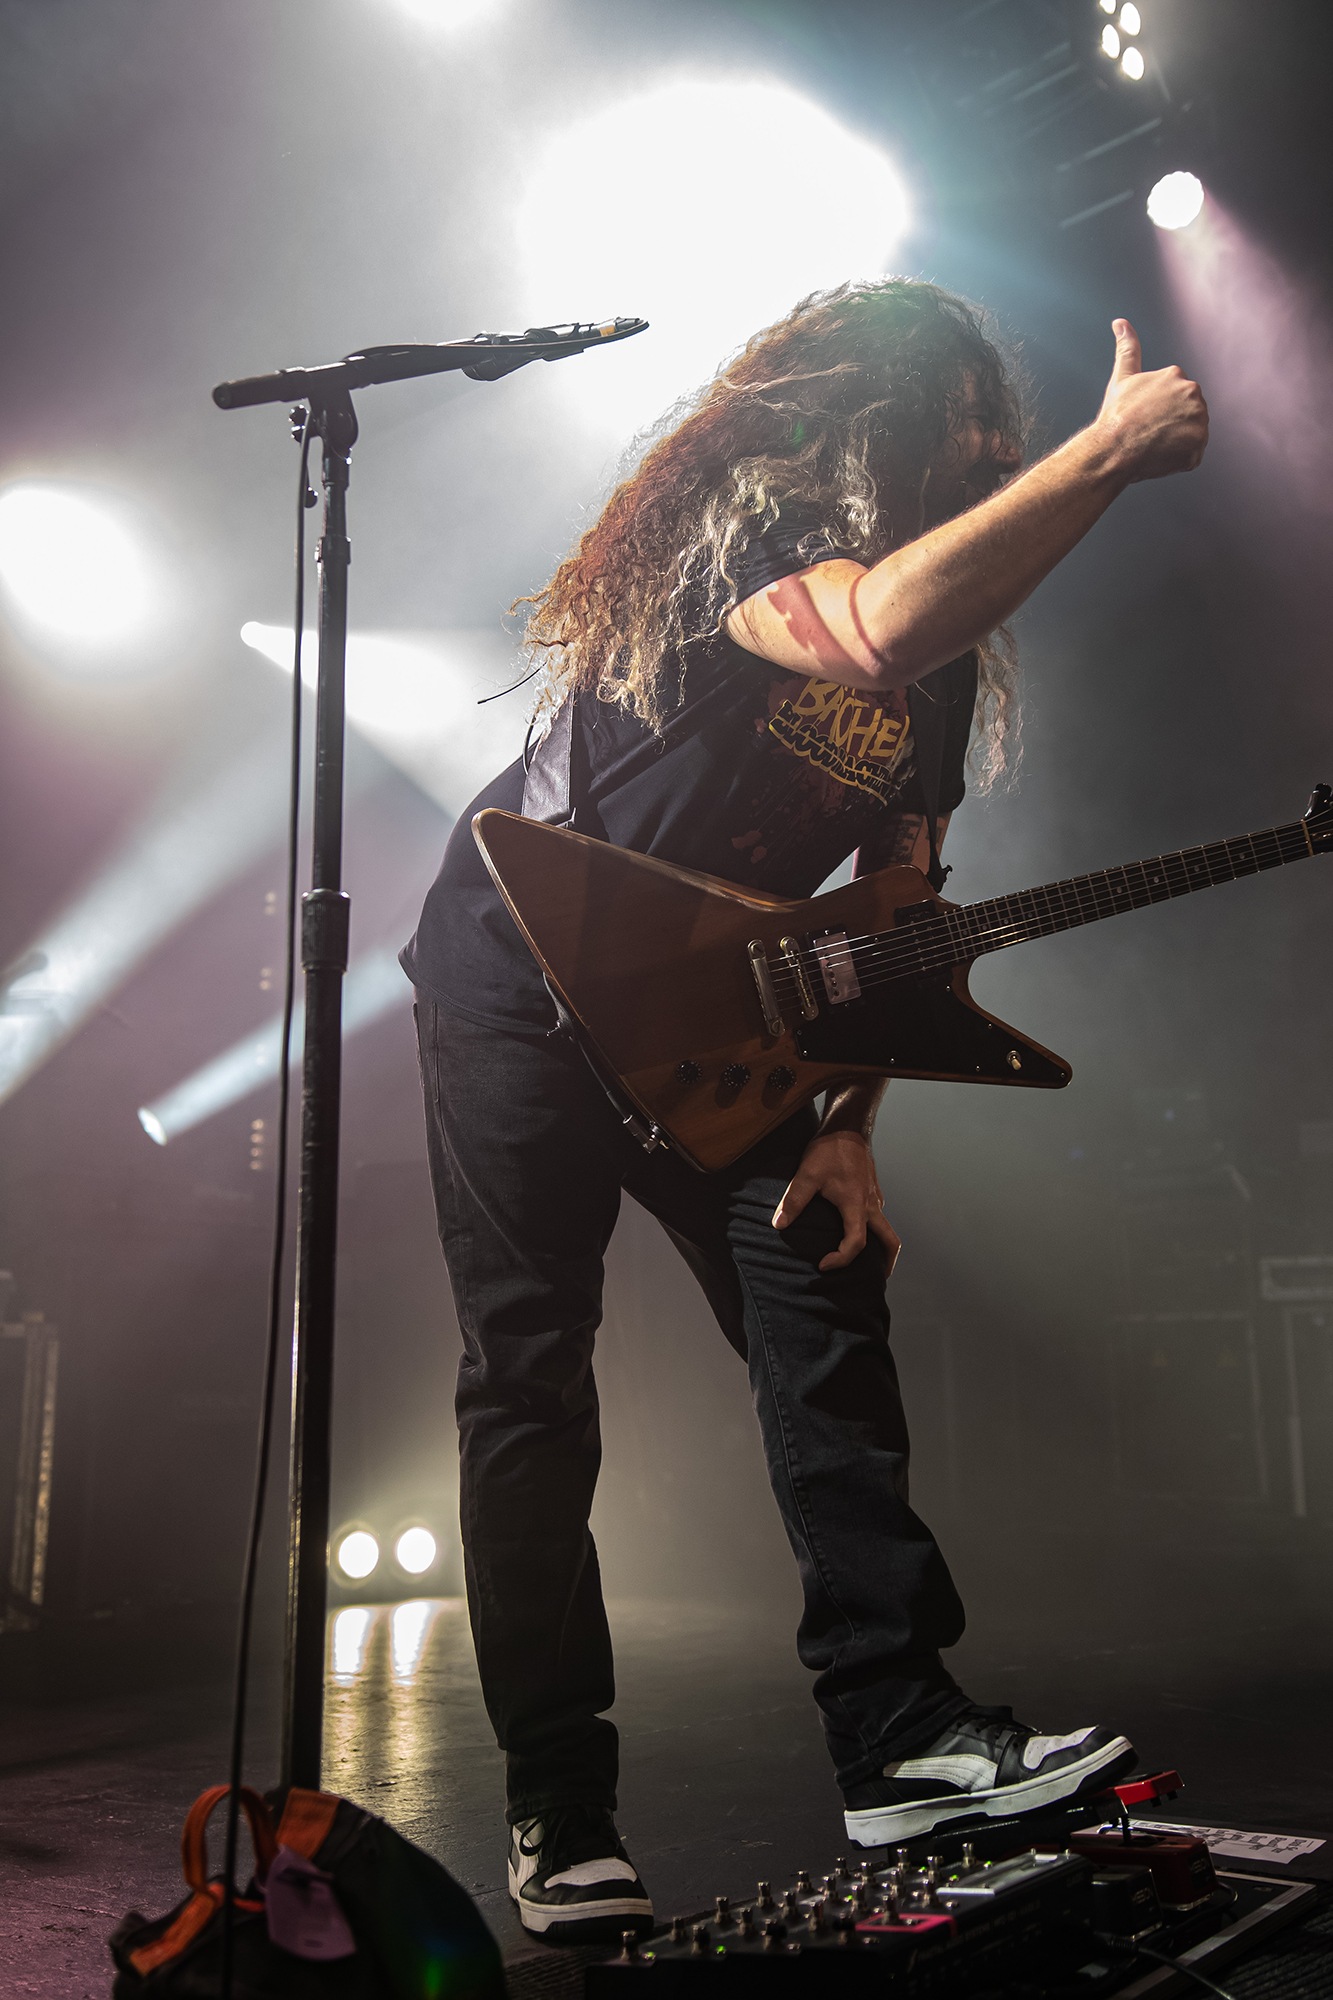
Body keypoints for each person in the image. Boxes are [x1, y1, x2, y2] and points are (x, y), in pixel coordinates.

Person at [401, 280, 1208, 1942]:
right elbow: (861, 631)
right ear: (873, 413)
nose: (985, 451)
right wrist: (1103, 457)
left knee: (823, 1293)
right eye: (962, 421)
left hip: (714, 1033)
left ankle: (899, 1734)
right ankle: (560, 1808)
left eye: (1001, 434)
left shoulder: (943, 668)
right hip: (518, 984)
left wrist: (845, 1122)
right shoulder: (745, 534)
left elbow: (896, 918)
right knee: (529, 1378)